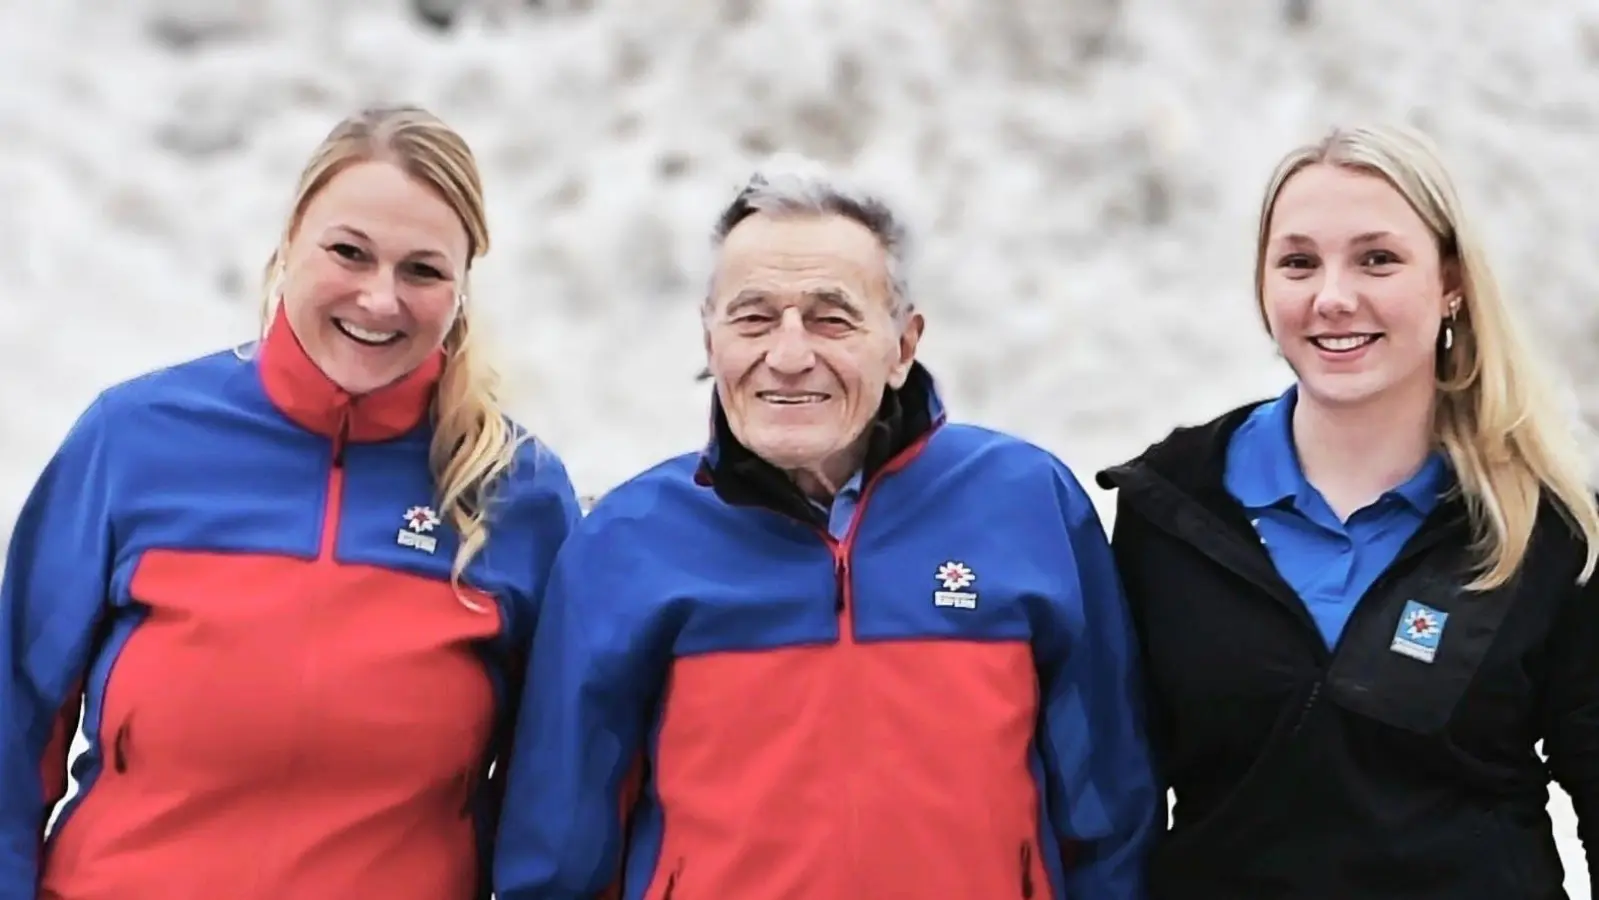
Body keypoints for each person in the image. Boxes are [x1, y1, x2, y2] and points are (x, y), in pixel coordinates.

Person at [493, 157, 1159, 900]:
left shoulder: (1028, 504)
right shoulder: (625, 542)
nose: (787, 356)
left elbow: (1110, 812)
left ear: (902, 345)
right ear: (710, 340)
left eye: (830, 317)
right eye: (752, 317)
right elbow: (557, 851)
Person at [0, 105, 582, 900]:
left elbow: (552, 803)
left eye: (422, 270)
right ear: (288, 245)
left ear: (462, 288)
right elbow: (14, 723)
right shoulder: (133, 441)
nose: (380, 300)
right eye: (349, 253)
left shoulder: (517, 493)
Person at [1096, 123, 1599, 898]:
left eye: (1377, 259)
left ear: (1451, 282)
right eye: (1298, 262)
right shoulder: (1168, 511)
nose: (1331, 298)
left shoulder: (1549, 525)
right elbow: (1110, 799)